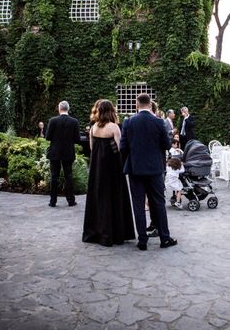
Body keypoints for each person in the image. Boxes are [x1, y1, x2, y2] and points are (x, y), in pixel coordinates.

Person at [120, 93, 176, 251]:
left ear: (137, 105)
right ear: (150, 105)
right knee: (158, 203)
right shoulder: (159, 122)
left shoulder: (128, 122)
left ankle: (142, 241)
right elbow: (166, 145)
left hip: (135, 169)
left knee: (138, 205)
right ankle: (164, 238)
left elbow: (123, 147)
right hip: (155, 169)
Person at [82, 99, 135, 246]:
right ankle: (115, 233)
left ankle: (97, 232)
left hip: (97, 168)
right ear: (111, 111)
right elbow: (120, 148)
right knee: (113, 197)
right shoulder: (114, 127)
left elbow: (92, 148)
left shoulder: (93, 128)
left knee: (98, 197)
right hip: (112, 168)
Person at [46, 101, 81, 208]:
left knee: (54, 176)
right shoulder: (74, 121)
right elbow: (77, 139)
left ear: (59, 109)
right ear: (68, 109)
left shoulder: (52, 121)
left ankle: (53, 201)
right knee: (69, 176)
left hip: (55, 152)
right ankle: (71, 200)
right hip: (68, 152)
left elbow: (47, 137)